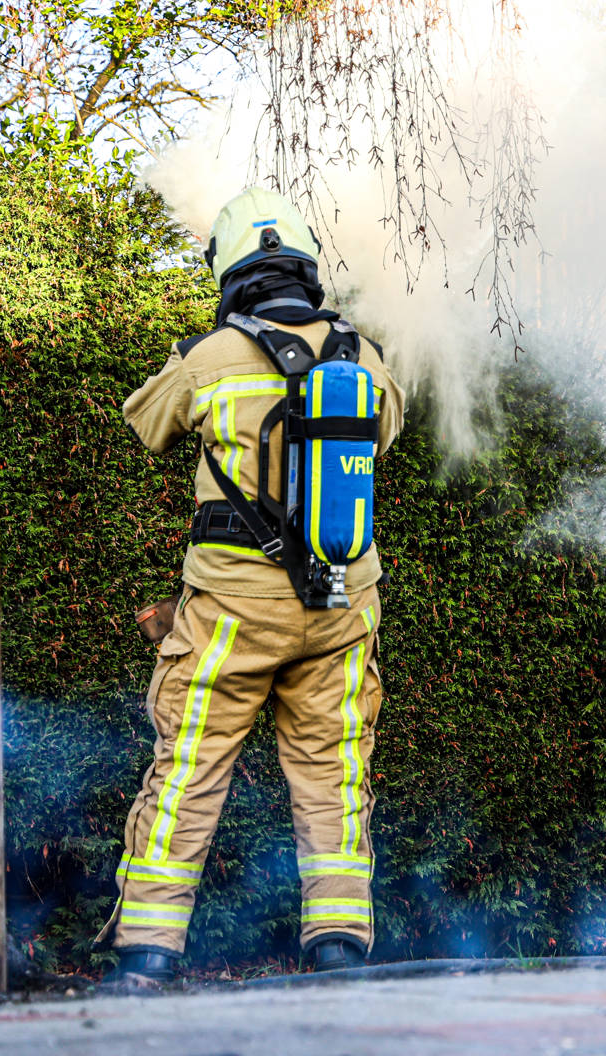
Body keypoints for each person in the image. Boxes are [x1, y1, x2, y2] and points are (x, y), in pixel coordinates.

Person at [104, 187, 405, 988]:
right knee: (334, 775)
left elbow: (145, 422)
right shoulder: (362, 356)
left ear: (233, 272)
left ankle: (147, 954)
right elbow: (391, 427)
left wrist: (201, 364)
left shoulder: (210, 358)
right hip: (341, 608)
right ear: (305, 269)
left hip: (232, 617)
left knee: (190, 770)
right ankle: (337, 947)